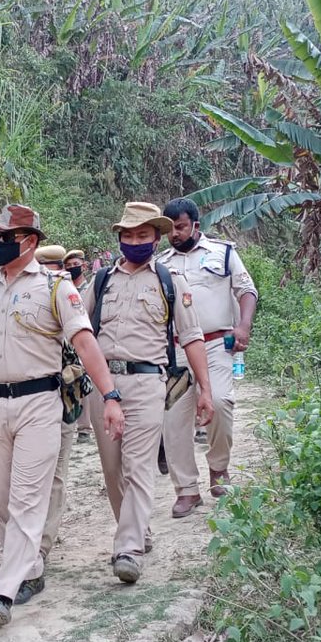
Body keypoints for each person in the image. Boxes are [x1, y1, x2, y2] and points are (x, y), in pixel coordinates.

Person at [0, 205, 125, 627]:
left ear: (30, 241)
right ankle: (29, 567)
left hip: (38, 403)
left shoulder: (56, 287)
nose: (0, 243)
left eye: (9, 236)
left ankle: (4, 590)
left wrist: (110, 394)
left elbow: (85, 343)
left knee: (27, 497)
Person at [83, 202, 214, 583]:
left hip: (147, 383)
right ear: (120, 238)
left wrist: (205, 389)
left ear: (156, 238)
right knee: (112, 468)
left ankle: (127, 548)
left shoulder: (170, 281)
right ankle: (139, 528)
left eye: (143, 235)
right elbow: (80, 330)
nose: (135, 241)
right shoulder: (102, 281)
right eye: (129, 235)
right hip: (104, 385)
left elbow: (191, 338)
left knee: (138, 465)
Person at [159, 197, 258, 518]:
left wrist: (243, 326)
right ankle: (186, 490)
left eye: (181, 227)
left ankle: (219, 470)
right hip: (175, 350)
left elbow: (246, 290)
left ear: (195, 226)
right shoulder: (160, 263)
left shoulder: (224, 253)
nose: (175, 234)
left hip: (217, 344)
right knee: (174, 420)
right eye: (170, 229)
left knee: (221, 402)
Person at [32, 244, 78, 582]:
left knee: (56, 475)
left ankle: (42, 545)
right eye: (45, 268)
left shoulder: (67, 296)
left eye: (56, 268)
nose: (53, 275)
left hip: (62, 401)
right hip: (25, 405)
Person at [63, 248, 94, 438]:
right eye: (69, 266)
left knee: (84, 380)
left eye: (76, 265)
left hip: (86, 339)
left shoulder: (90, 288)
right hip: (67, 343)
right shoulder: (65, 289)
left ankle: (84, 427)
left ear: (84, 266)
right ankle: (73, 420)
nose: (73, 268)